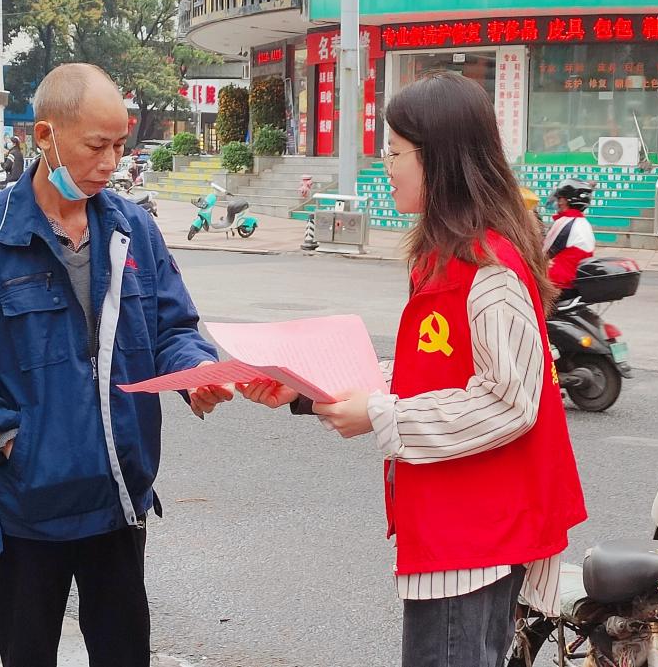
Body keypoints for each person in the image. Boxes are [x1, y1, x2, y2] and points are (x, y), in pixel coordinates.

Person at [240, 72, 586, 667]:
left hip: (473, 535)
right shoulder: (446, 258)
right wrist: (304, 386)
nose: (386, 165)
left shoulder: (489, 270)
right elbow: (427, 376)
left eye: (395, 152)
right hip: (458, 525)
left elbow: (508, 403)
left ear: (442, 160)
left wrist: (380, 416)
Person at [0, 63, 232, 667]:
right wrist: (5, 440)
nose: (111, 163)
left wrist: (195, 374)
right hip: (28, 507)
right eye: (96, 145)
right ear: (45, 136)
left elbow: (172, 326)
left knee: (124, 654)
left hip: (118, 498)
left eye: (120, 146)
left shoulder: (133, 229)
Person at [543, 179, 596, 292]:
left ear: (567, 200)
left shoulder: (564, 221)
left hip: (558, 283)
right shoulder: (584, 223)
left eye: (560, 198)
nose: (558, 202)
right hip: (575, 281)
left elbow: (544, 252)